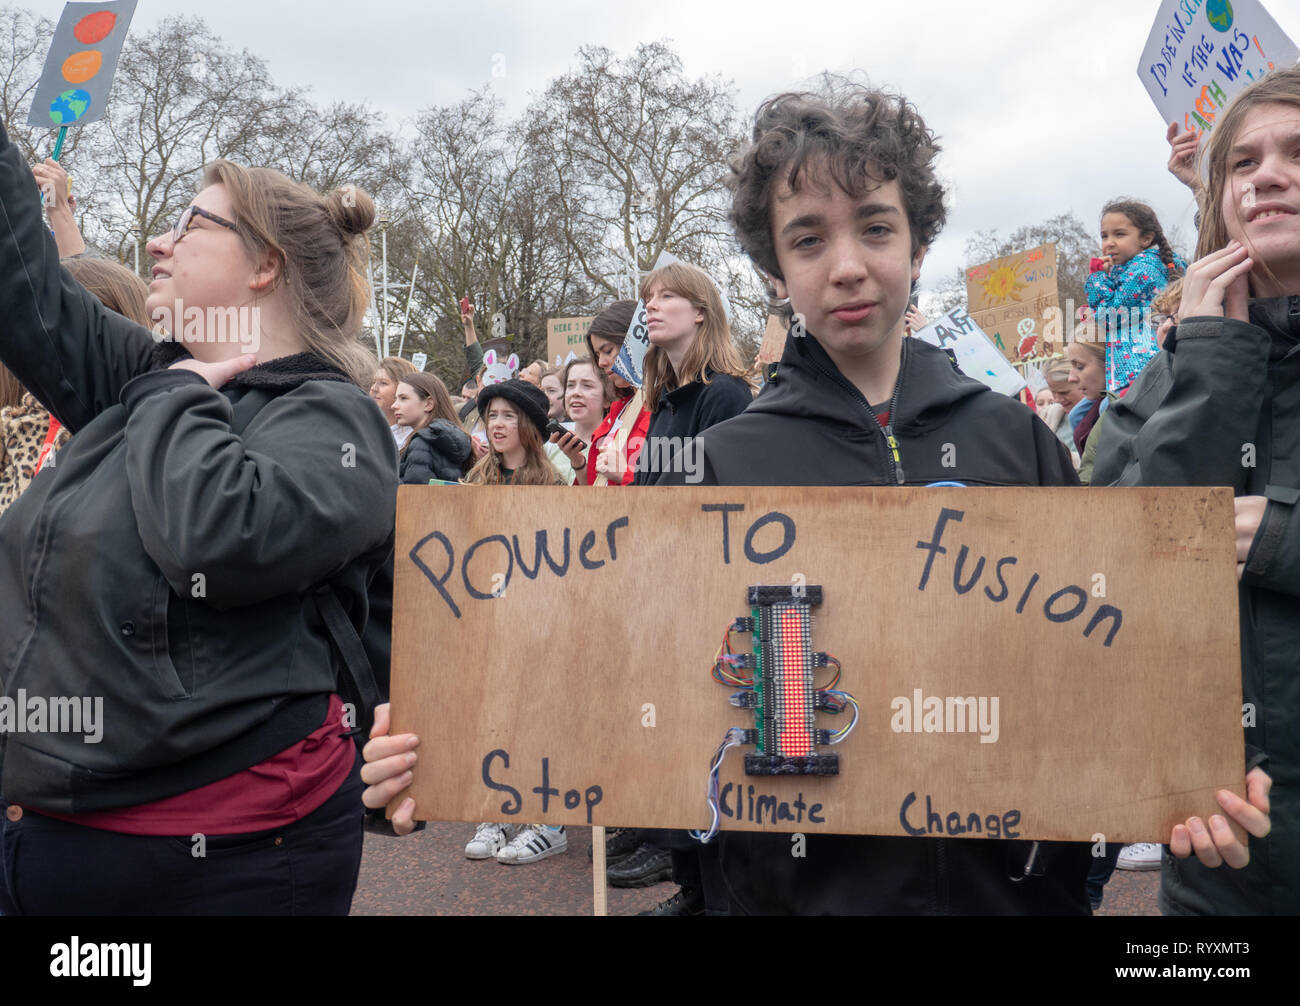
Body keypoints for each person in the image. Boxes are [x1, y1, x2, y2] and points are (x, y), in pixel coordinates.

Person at [0, 117, 397, 915]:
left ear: (266, 267)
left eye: (189, 224)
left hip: (222, 861)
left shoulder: (335, 418)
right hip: (47, 829)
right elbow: (25, 286)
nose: (157, 243)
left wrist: (176, 393)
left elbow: (218, 540)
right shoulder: (148, 371)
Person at [1092, 67, 1292, 915]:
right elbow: (1111, 561)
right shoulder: (1174, 365)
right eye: (1241, 162)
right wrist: (1212, 360)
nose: (1267, 175)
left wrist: (1281, 540)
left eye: (1296, 153)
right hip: (1214, 851)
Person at [458, 378, 569, 864]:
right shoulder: (474, 478)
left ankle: (549, 821)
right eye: (491, 416)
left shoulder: (555, 484)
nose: (496, 424)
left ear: (528, 424)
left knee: (543, 713)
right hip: (488, 618)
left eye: (506, 415)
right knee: (494, 712)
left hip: (542, 620)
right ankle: (499, 808)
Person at [630, 261, 754, 487]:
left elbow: (726, 497)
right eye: (648, 298)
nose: (650, 306)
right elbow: (643, 490)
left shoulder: (724, 393)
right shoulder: (664, 398)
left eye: (666, 296)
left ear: (699, 312)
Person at [1085, 199, 1186, 393]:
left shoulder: (1145, 270)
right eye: (1104, 236)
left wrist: (1096, 278)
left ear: (1146, 238)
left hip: (1141, 370)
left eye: (1119, 234)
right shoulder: (1133, 269)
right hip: (1140, 372)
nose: (1109, 243)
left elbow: (1110, 316)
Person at [574, 301, 650, 486]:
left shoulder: (663, 408)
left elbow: (673, 483)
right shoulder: (619, 410)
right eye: (597, 355)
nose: (601, 362)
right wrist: (578, 463)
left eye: (608, 351)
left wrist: (626, 475)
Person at [393, 372, 472, 485]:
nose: (394, 405)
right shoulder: (445, 438)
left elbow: (415, 496)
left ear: (428, 404)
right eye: (395, 398)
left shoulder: (422, 443)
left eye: (403, 398)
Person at [550, 356, 611, 481]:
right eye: (570, 386)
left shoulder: (616, 445)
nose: (575, 393)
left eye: (587, 386)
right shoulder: (550, 447)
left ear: (606, 398)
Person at [369, 355, 418, 450]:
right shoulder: (365, 427)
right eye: (373, 382)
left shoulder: (412, 439)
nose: (374, 388)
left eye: (383, 383)